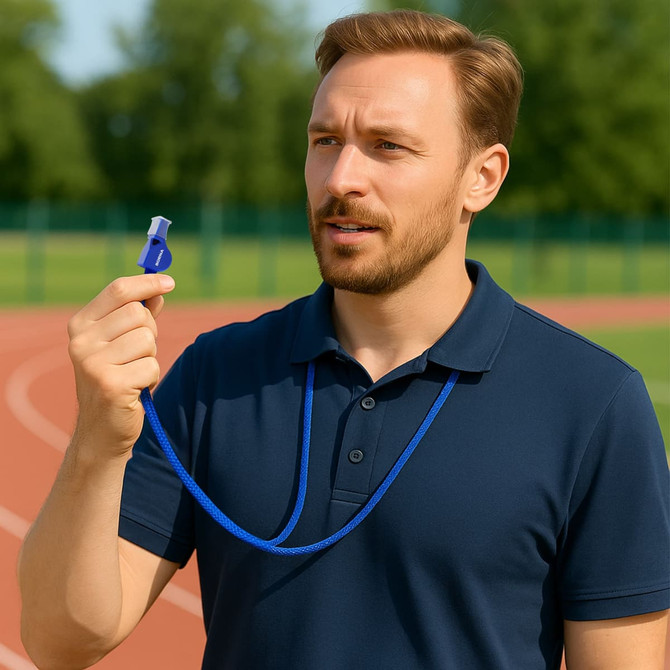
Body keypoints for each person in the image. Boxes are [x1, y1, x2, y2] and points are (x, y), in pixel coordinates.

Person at [18, 9, 668, 669]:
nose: (340, 180)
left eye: (388, 145)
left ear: (483, 177)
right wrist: (99, 439)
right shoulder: (217, 375)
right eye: (325, 140)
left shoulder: (592, 404)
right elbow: (59, 641)